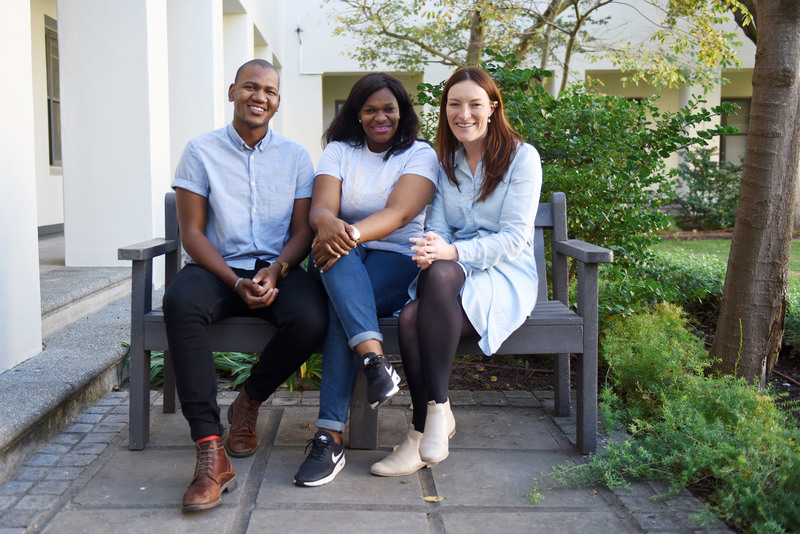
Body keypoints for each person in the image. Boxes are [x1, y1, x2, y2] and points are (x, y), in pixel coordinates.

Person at [163, 59, 327, 511]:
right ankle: (210, 449)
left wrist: (276, 271)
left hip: (275, 269)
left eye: (270, 91)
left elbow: (301, 232)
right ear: (233, 91)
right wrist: (235, 282)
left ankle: (248, 402)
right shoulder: (200, 151)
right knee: (180, 301)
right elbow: (193, 233)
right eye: (251, 87)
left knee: (313, 318)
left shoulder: (295, 156)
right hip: (218, 269)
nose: (260, 97)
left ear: (278, 102)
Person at [370, 66, 542, 477]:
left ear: (493, 108)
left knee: (420, 306)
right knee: (428, 288)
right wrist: (433, 245)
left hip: (504, 272)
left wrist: (450, 251)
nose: (464, 114)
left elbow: (515, 239)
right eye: (454, 104)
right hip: (455, 271)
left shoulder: (522, 157)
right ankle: (436, 414)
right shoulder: (447, 162)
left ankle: (422, 427)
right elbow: (441, 226)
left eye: (475, 104)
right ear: (445, 109)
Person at [292, 73, 438, 487]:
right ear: (356, 114)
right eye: (370, 109)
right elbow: (320, 210)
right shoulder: (339, 151)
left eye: (388, 109)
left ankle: (329, 437)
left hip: (396, 258)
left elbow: (401, 215)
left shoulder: (419, 154)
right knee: (341, 271)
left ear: (402, 112)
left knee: (343, 309)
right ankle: (375, 361)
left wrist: (344, 234)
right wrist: (329, 227)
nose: (380, 117)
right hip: (343, 257)